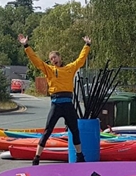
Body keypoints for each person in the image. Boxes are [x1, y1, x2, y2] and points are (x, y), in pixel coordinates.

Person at [18, 33, 91, 165]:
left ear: (60, 57)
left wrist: (87, 45)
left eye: (55, 57)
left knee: (75, 130)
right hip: (56, 104)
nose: (53, 60)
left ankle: (80, 156)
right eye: (51, 59)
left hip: (68, 104)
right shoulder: (49, 70)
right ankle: (37, 157)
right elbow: (36, 61)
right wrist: (26, 46)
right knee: (48, 130)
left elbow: (81, 59)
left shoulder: (70, 68)